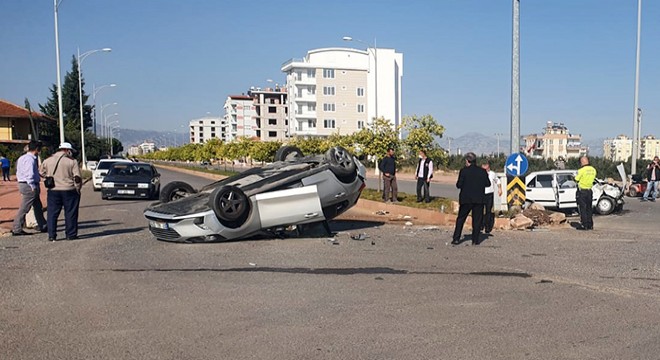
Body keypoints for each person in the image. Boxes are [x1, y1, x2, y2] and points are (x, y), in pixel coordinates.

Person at [40, 142, 83, 241]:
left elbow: (41, 172)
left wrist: (48, 177)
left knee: (52, 213)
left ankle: (51, 235)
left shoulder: (48, 160)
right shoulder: (72, 161)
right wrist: (78, 188)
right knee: (70, 213)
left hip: (53, 190)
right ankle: (70, 234)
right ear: (67, 150)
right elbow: (77, 177)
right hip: (69, 189)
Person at [452, 152, 491, 245]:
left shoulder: (464, 171)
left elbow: (459, 185)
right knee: (477, 220)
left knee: (461, 219)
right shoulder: (482, 171)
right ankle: (475, 240)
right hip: (479, 199)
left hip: (466, 199)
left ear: (467, 161)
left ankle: (456, 238)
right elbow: (488, 184)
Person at [11, 141, 47, 236]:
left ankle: (43, 225)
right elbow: (29, 174)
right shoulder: (30, 159)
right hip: (29, 185)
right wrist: (32, 186)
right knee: (25, 207)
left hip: (24, 183)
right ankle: (17, 228)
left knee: (38, 206)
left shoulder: (22, 158)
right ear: (36, 149)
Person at [574, 156, 597, 230]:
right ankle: (590, 224)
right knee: (589, 208)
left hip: (582, 191)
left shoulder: (581, 170)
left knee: (583, 209)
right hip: (589, 191)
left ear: (582, 162)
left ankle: (584, 225)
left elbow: (576, 179)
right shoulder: (593, 170)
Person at [481, 160, 502, 234]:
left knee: (488, 211)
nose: (484, 167)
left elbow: (497, 181)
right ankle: (480, 225)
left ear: (488, 166)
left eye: (485, 165)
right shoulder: (480, 173)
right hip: (481, 194)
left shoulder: (492, 174)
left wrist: (499, 189)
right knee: (480, 210)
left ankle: (487, 227)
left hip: (489, 194)